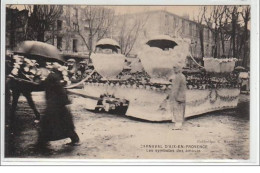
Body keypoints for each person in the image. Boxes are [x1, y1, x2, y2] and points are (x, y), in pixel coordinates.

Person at [37, 70, 80, 147]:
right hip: (55, 105)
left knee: (50, 123)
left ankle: (42, 141)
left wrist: (65, 100)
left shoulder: (53, 78)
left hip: (55, 106)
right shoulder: (52, 78)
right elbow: (42, 85)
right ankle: (42, 140)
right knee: (64, 124)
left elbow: (60, 90)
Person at [169, 62, 187, 130]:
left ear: (178, 69)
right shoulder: (182, 76)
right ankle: (179, 124)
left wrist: (172, 96)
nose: (173, 69)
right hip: (182, 95)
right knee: (181, 110)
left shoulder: (178, 77)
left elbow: (175, 88)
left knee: (177, 110)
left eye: (175, 68)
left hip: (178, 96)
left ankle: (178, 125)